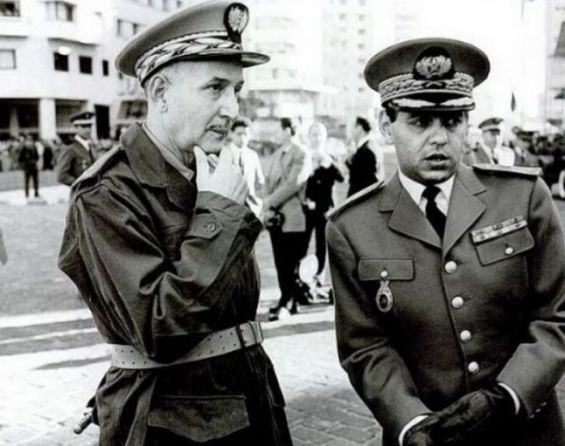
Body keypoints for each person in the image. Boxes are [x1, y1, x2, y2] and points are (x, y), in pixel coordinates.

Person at [57, 2, 292, 445]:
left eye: (236, 90)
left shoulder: (207, 168)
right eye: (215, 88)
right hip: (175, 425)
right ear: (160, 92)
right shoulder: (106, 193)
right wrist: (218, 213)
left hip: (249, 401)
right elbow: (158, 330)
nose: (231, 108)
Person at [327, 37, 565, 446]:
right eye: (420, 122)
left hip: (527, 429)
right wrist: (411, 423)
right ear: (386, 125)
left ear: (468, 125)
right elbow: (364, 346)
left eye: (452, 120)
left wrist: (507, 396)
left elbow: (556, 314)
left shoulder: (523, 197)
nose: (439, 138)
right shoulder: (352, 227)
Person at [263, 117, 311, 320]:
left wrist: (269, 202)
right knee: (280, 261)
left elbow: (294, 183)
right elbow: (267, 181)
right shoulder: (276, 154)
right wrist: (268, 206)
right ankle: (285, 299)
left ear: (289, 130)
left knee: (291, 262)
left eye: (279, 129)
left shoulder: (301, 153)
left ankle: (289, 302)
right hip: (276, 218)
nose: (275, 133)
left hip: (293, 216)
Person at [303, 121, 343, 286]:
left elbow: (341, 177)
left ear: (325, 137)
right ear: (308, 137)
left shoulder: (330, 157)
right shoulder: (304, 155)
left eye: (320, 134)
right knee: (302, 244)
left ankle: (319, 278)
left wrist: (328, 162)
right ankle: (301, 279)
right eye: (314, 135)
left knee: (322, 245)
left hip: (325, 209)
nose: (317, 138)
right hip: (306, 208)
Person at [227, 116, 265, 217]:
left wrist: (258, 203)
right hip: (229, 209)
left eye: (245, 134)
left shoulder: (253, 156)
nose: (242, 138)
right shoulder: (223, 154)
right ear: (231, 134)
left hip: (250, 209)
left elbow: (260, 182)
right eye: (239, 134)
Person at [55, 111, 97, 186]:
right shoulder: (70, 148)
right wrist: (81, 185)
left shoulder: (91, 146)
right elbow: (61, 176)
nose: (88, 130)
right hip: (81, 191)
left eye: (89, 126)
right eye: (84, 127)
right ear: (76, 128)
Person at [18, 134, 40, 199]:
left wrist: (33, 161)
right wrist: (25, 163)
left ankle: (35, 193)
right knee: (28, 181)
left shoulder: (34, 147)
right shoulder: (25, 148)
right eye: (29, 139)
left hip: (33, 166)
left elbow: (37, 156)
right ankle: (27, 193)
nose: (30, 141)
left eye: (31, 139)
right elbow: (20, 158)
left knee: (34, 180)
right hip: (28, 166)